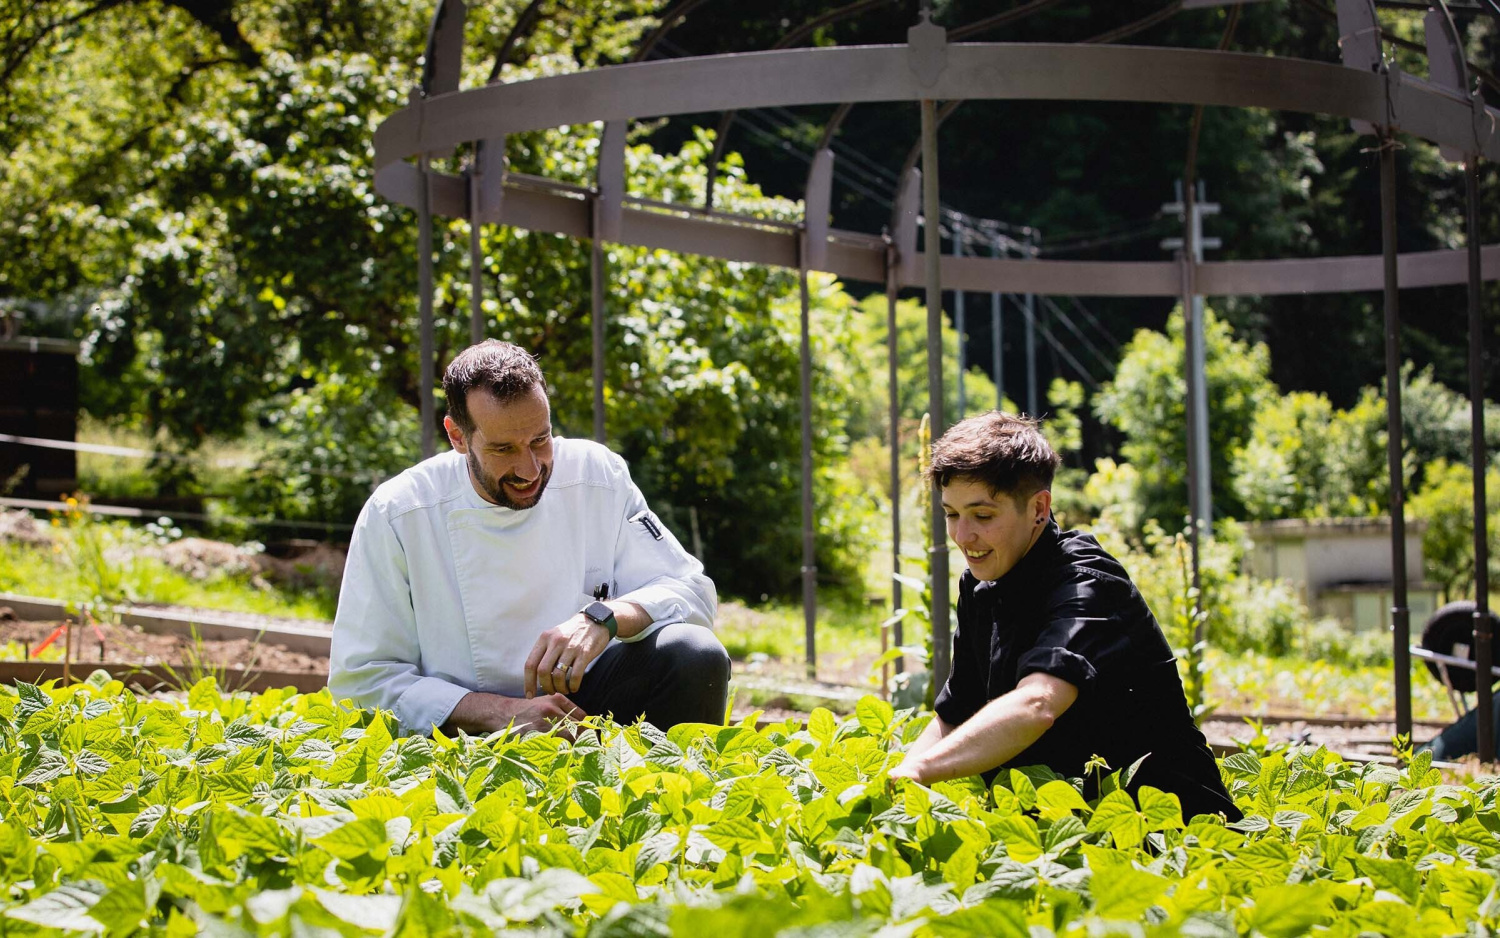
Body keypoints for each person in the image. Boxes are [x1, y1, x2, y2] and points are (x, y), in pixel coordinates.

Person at [329, 340, 728, 736]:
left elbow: (691, 590)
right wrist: (502, 712)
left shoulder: (597, 474)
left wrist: (603, 619)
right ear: (457, 437)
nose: (530, 468)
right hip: (462, 724)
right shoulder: (399, 513)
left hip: (585, 703)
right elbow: (361, 682)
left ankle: (668, 790)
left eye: (540, 439)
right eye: (503, 449)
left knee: (696, 655)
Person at [889, 412, 1240, 822]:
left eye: (982, 516)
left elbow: (1037, 704)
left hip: (1175, 835)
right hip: (1073, 835)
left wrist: (919, 771)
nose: (963, 536)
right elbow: (953, 716)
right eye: (951, 514)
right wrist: (897, 781)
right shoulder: (982, 587)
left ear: (1038, 508)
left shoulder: (1087, 583)